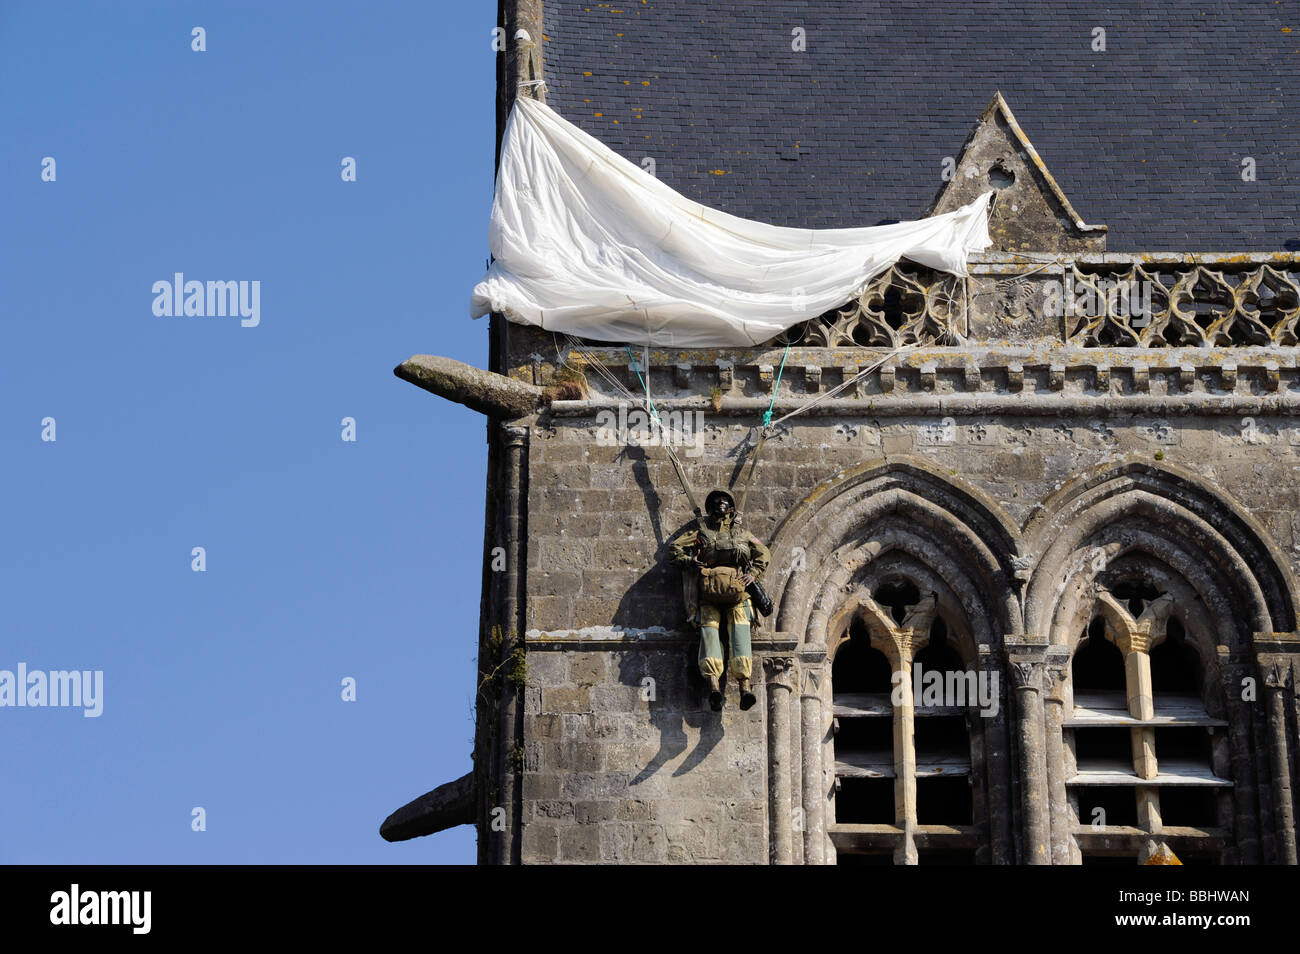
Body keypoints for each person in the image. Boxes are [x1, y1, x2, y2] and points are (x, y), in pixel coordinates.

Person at [669, 488, 771, 711]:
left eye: (724, 500)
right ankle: (713, 686)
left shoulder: (743, 534)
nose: (720, 503)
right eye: (716, 500)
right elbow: (675, 548)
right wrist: (690, 561)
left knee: (740, 635)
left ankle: (745, 687)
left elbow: (763, 552)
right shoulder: (701, 532)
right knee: (709, 636)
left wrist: (752, 574)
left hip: (739, 593)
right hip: (708, 594)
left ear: (732, 508)